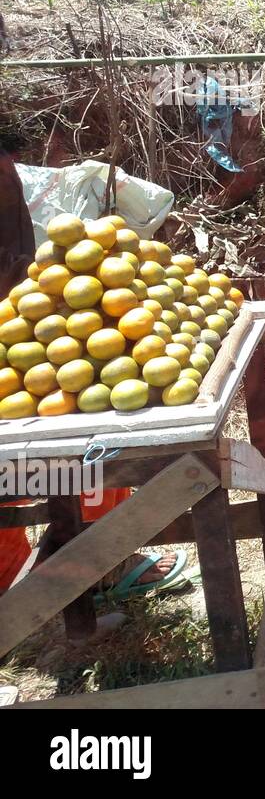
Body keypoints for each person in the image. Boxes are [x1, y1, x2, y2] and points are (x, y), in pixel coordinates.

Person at [0, 147, 187, 600]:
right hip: (31, 347)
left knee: (86, 453)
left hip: (32, 336)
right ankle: (26, 585)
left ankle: (94, 559)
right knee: (42, 470)